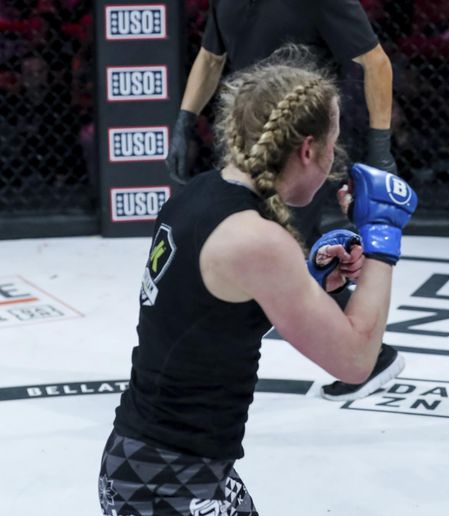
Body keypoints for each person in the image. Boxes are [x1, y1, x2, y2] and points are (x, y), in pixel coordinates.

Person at [98, 49, 417, 514]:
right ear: (308, 149)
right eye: (333, 143)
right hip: (170, 477)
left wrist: (306, 280)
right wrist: (383, 240)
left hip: (158, 461)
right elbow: (356, 362)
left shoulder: (200, 196)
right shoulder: (257, 240)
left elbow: (209, 315)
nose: (335, 157)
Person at [165, 0, 402, 401]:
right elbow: (210, 56)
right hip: (243, 145)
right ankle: (366, 352)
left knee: (278, 256)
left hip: (299, 153)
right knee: (275, 255)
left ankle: (369, 355)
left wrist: (381, 147)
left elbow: (375, 62)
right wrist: (185, 119)